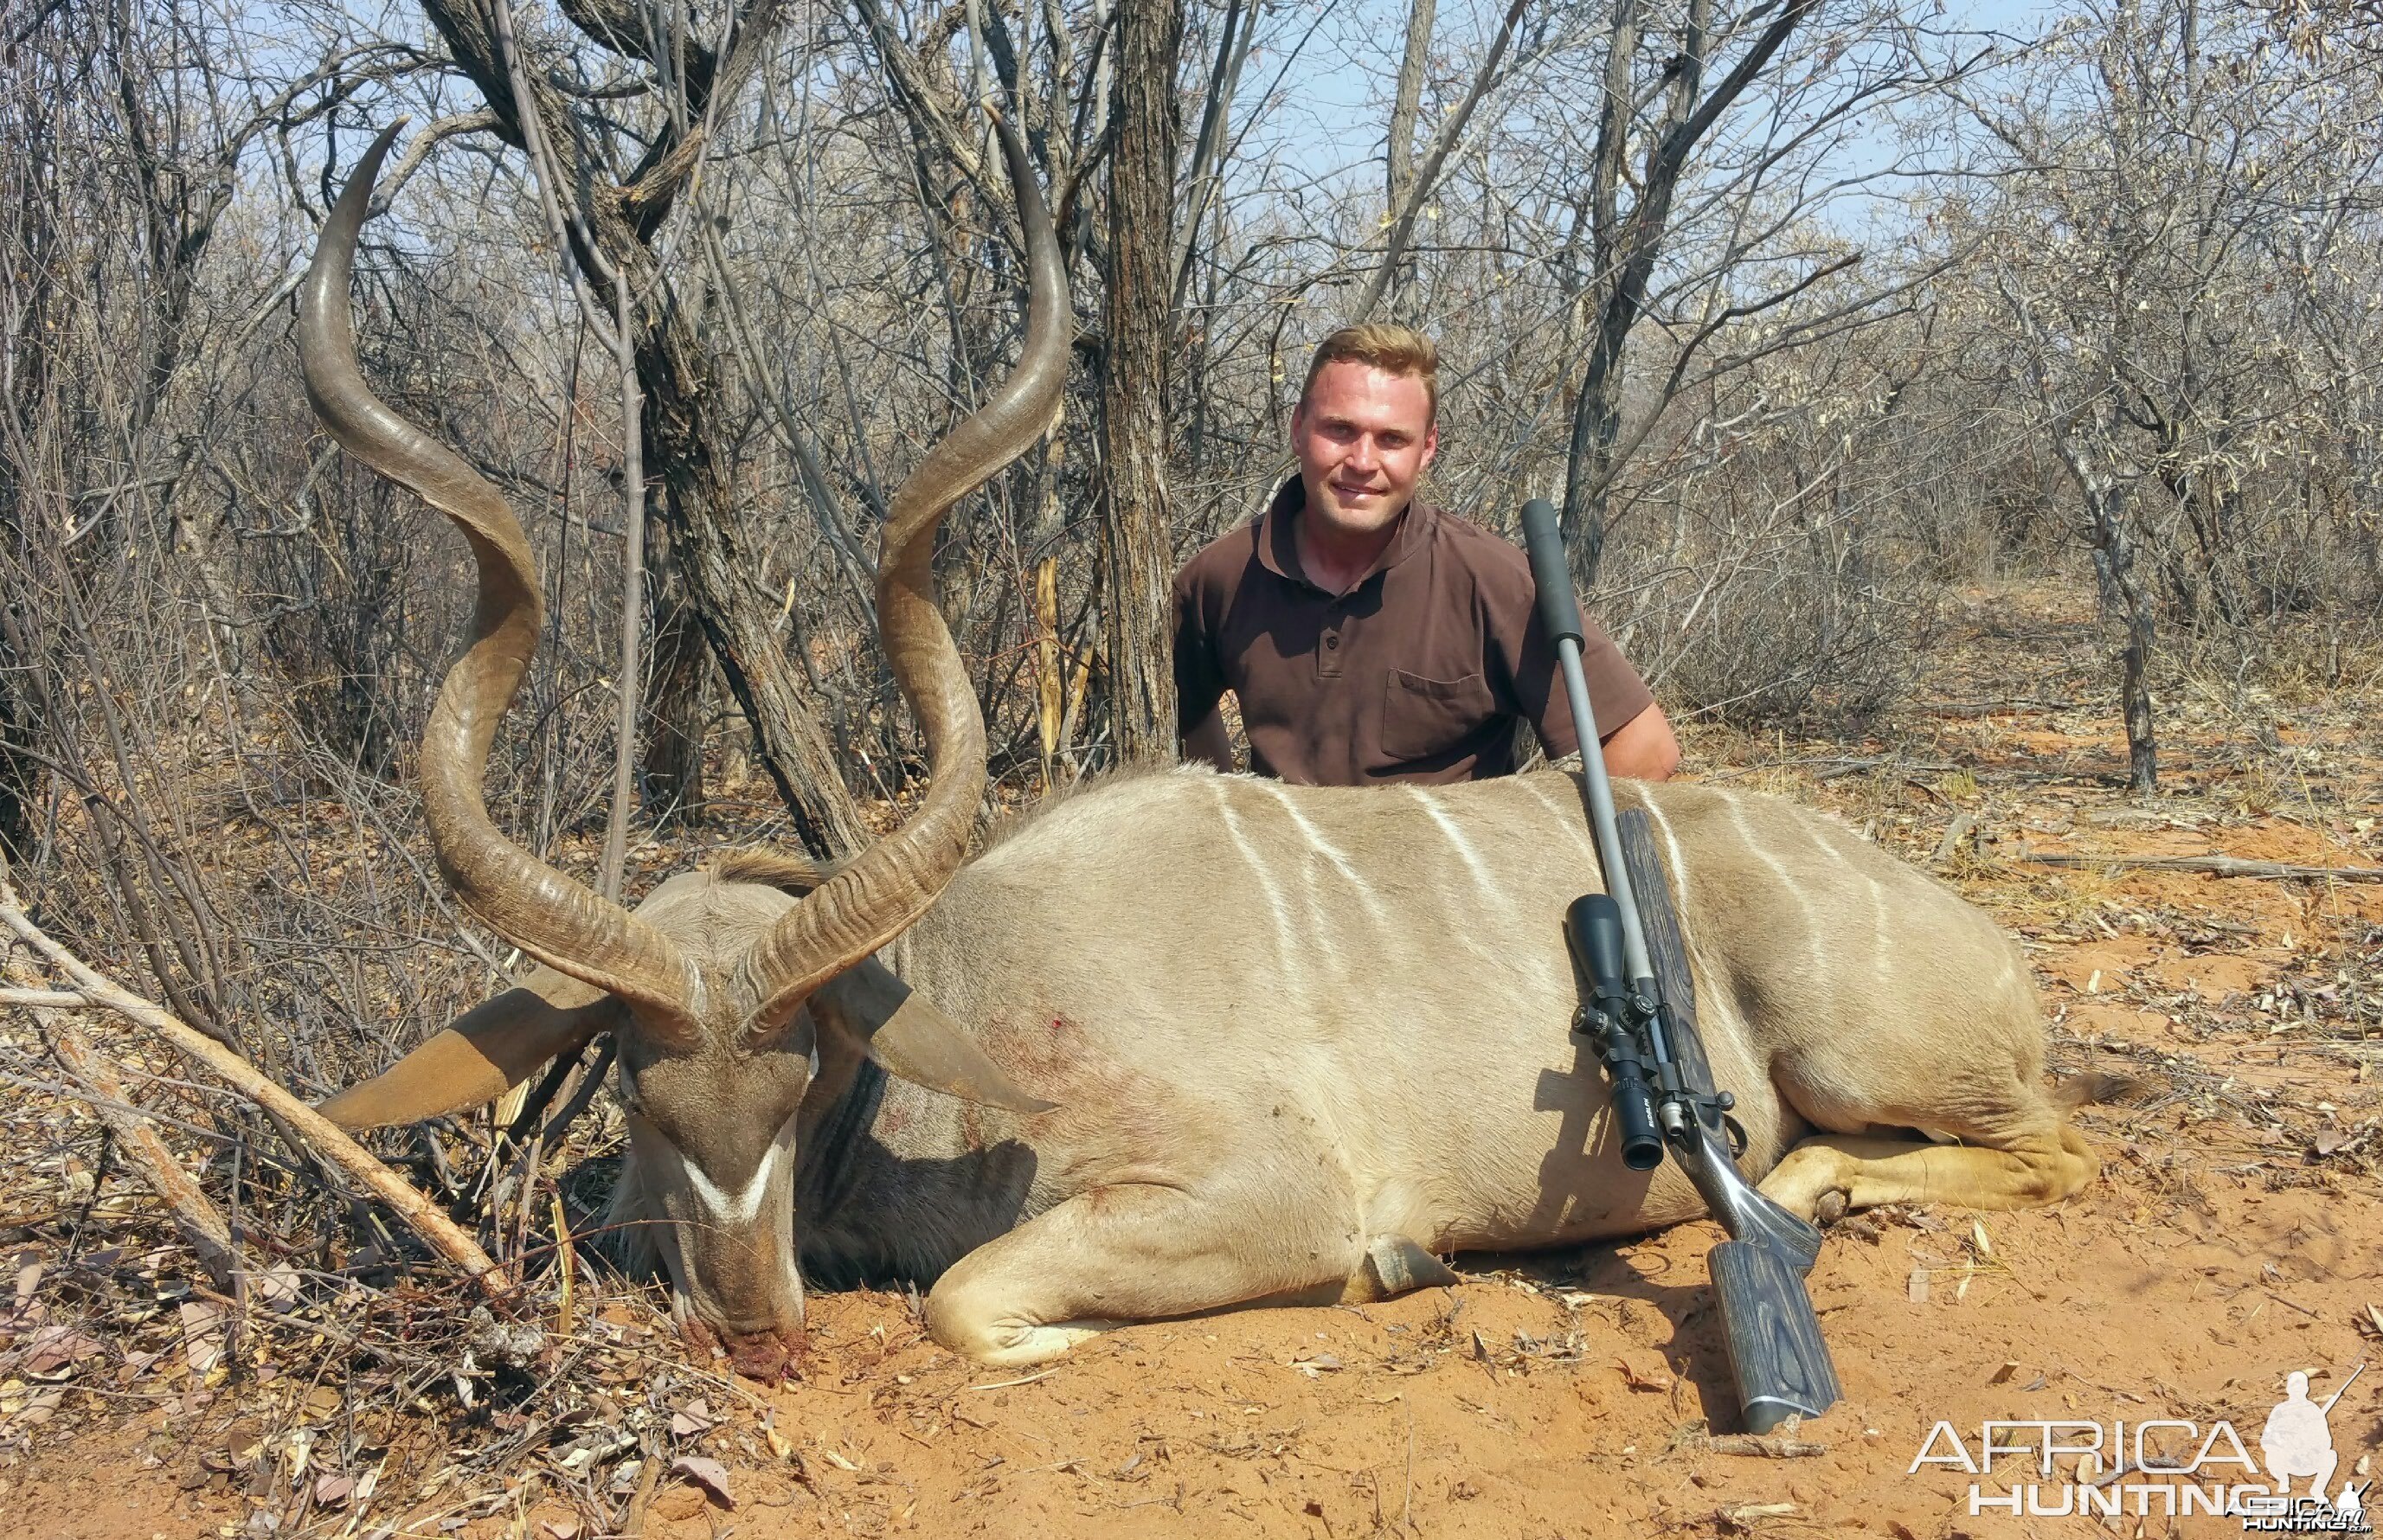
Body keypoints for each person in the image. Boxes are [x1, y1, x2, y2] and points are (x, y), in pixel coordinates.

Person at [1172, 324, 1679, 786]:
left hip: (1442, 878)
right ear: (1298, 428)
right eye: (1340, 430)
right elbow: (1182, 712)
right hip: (1285, 876)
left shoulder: (1491, 579)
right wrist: (1234, 821)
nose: (1363, 462)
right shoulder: (1220, 577)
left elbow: (1646, 751)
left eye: (1392, 439)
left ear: (1428, 447)